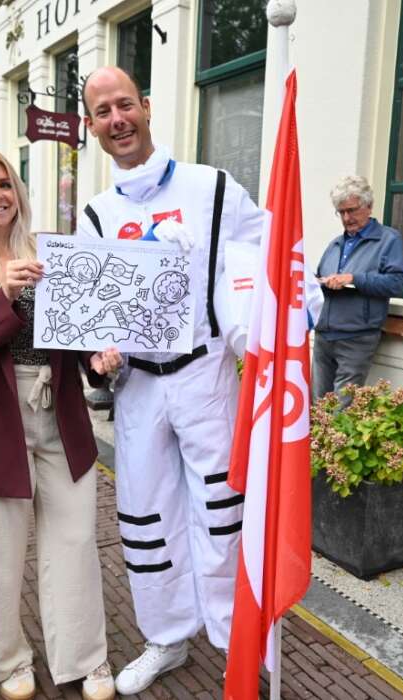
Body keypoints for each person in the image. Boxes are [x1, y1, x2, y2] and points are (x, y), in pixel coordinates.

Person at [75, 65, 262, 695]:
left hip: (206, 374)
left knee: (222, 510)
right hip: (139, 387)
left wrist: (275, 325)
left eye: (125, 104)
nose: (117, 120)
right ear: (91, 125)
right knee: (146, 515)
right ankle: (167, 637)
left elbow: (264, 257)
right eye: (103, 111)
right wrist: (96, 352)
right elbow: (93, 313)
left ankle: (238, 645)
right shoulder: (96, 215)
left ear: (147, 106)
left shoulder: (212, 188)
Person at [0, 145, 116, 700]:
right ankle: (5, 659)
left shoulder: (50, 250)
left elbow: (76, 327)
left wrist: (96, 357)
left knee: (75, 540)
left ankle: (84, 657)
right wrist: (3, 294)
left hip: (59, 412)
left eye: (4, 183)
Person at [313, 175, 403, 401]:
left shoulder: (388, 240)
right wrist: (318, 281)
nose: (347, 218)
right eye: (341, 212)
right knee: (318, 407)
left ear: (369, 206)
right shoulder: (336, 243)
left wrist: (354, 279)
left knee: (342, 409)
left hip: (356, 338)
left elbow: (396, 283)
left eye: (352, 210)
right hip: (324, 336)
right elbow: (319, 277)